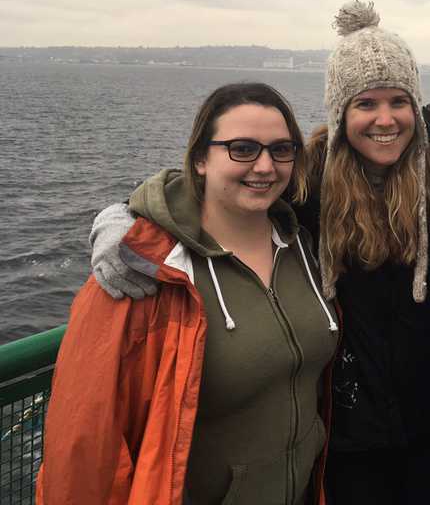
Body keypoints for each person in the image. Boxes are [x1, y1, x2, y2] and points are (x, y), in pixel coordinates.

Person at [87, 2, 430, 505]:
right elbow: (208, 189)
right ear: (341, 111)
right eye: (365, 103)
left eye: (399, 102)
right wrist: (122, 218)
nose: (385, 118)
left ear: (417, 106)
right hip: (342, 429)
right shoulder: (307, 180)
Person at [38, 83, 340, 505]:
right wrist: (118, 216)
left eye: (281, 149)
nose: (266, 166)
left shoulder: (302, 247)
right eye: (242, 148)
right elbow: (85, 443)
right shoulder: (143, 272)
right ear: (200, 158)